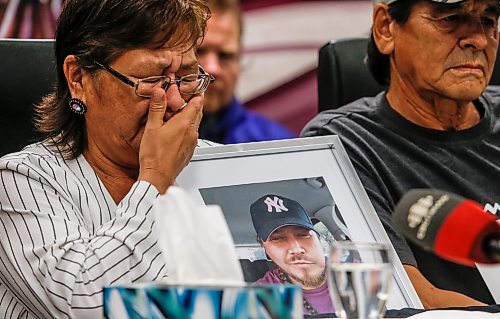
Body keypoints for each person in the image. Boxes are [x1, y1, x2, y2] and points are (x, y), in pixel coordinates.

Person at [0, 0, 212, 317]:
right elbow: (87, 304)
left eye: (186, 77)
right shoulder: (22, 180)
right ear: (79, 78)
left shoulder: (218, 166)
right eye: (151, 80)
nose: (174, 100)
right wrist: (155, 181)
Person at [302, 0, 500, 309]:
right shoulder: (343, 144)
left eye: (489, 21)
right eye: (450, 18)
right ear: (385, 28)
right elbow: (406, 296)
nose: (478, 39)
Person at [196, 0, 296, 144]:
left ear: (239, 61)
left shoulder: (274, 145)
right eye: (198, 52)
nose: (213, 69)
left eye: (225, 56)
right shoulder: (152, 141)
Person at [250, 194, 334, 315]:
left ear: (319, 239)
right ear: (266, 251)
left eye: (303, 234)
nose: (296, 248)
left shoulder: (359, 275)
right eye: (277, 238)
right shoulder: (259, 297)